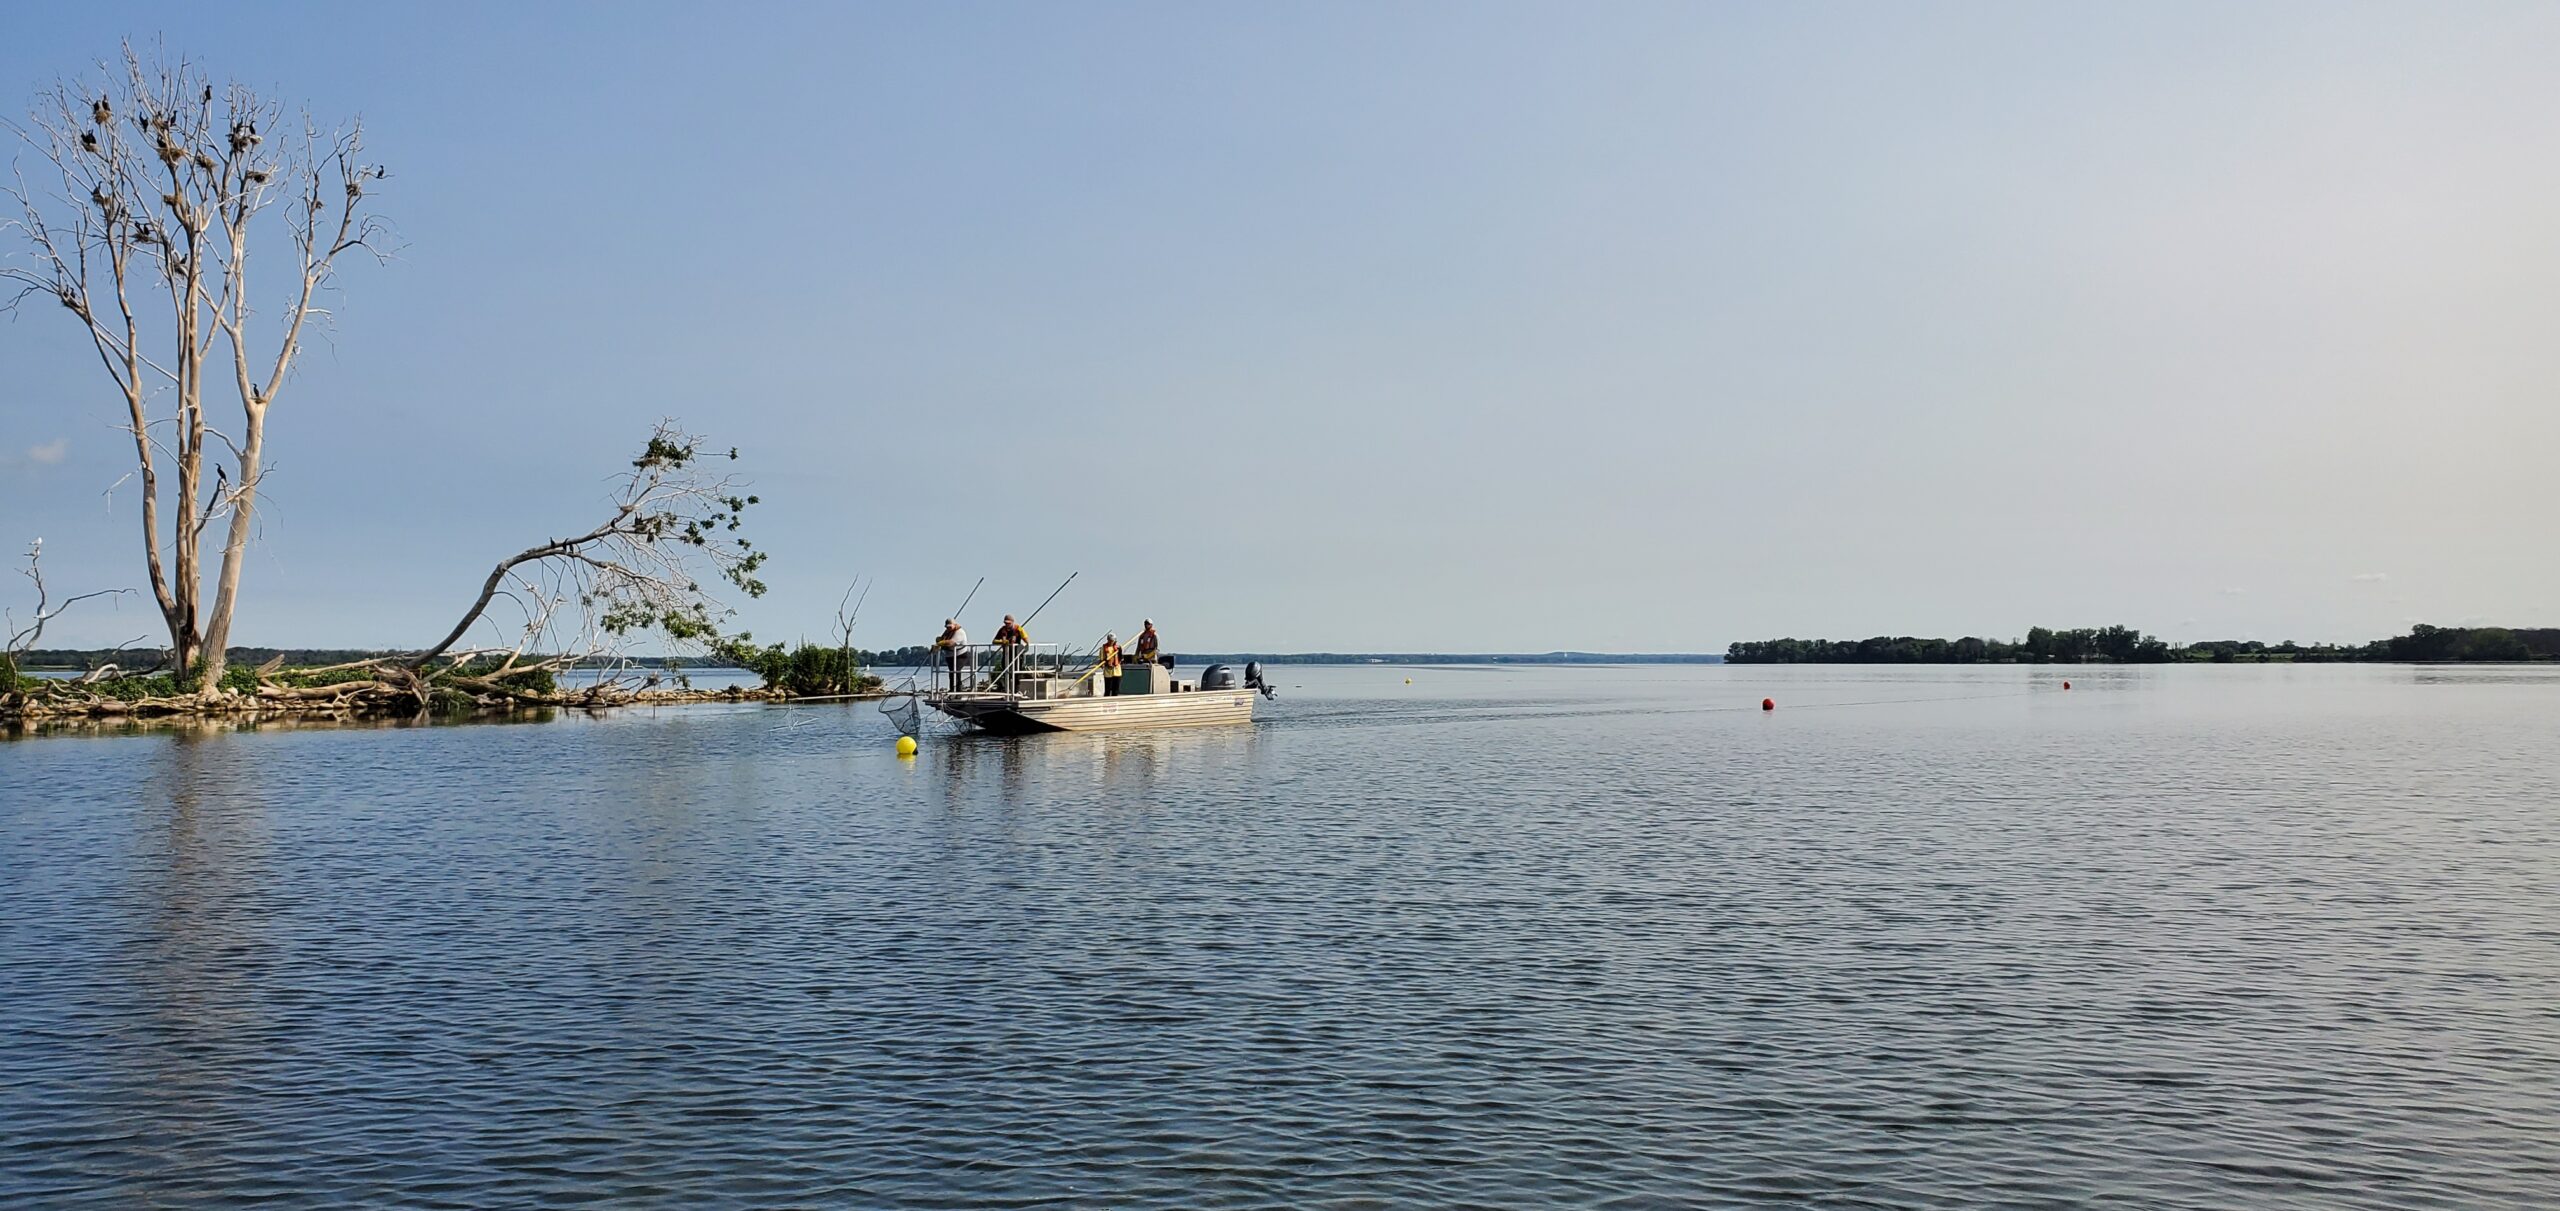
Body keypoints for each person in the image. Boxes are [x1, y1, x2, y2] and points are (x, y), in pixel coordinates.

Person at [933, 618, 971, 691]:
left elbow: (951, 642)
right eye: (947, 627)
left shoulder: (959, 632)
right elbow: (941, 639)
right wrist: (938, 640)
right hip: (950, 655)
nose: (948, 628)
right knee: (951, 673)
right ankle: (952, 690)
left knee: (955, 671)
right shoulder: (947, 632)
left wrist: (940, 643)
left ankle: (958, 691)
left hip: (960, 655)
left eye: (950, 626)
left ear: (954, 625)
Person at [992, 614, 1029, 685]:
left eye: (1008, 623)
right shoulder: (1002, 630)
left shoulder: (1018, 629)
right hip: (1006, 655)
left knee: (1016, 673)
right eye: (1005, 623)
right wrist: (1002, 641)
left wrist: (1026, 644)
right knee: (1005, 672)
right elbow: (994, 641)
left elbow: (1026, 639)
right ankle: (1006, 690)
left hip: (1017, 655)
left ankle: (1016, 691)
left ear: (1012, 622)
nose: (1007, 624)